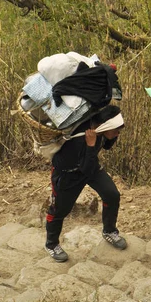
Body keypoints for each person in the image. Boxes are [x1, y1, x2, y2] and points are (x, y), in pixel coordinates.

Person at [45, 105, 127, 262]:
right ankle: (51, 244)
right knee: (60, 210)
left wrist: (111, 135)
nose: (118, 133)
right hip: (68, 174)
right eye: (116, 130)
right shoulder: (79, 139)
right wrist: (91, 145)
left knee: (111, 194)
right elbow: (86, 168)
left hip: (89, 165)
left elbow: (107, 147)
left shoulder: (100, 130)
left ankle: (109, 231)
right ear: (106, 126)